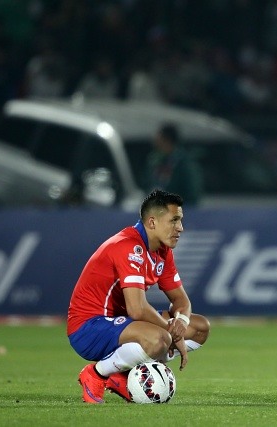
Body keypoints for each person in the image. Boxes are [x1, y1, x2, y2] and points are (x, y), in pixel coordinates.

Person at [67, 189, 211, 404]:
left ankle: (120, 374)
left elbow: (181, 301)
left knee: (199, 327)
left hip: (122, 324)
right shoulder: (128, 247)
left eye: (180, 221)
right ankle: (96, 374)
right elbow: (137, 309)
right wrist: (172, 333)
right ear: (152, 222)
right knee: (160, 338)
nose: (180, 228)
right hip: (89, 326)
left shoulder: (162, 251)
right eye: (174, 220)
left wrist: (180, 323)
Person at [144, 123, 203, 207]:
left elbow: (192, 192)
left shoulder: (183, 163)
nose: (155, 140)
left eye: (158, 136)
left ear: (166, 139)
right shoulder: (156, 160)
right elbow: (148, 183)